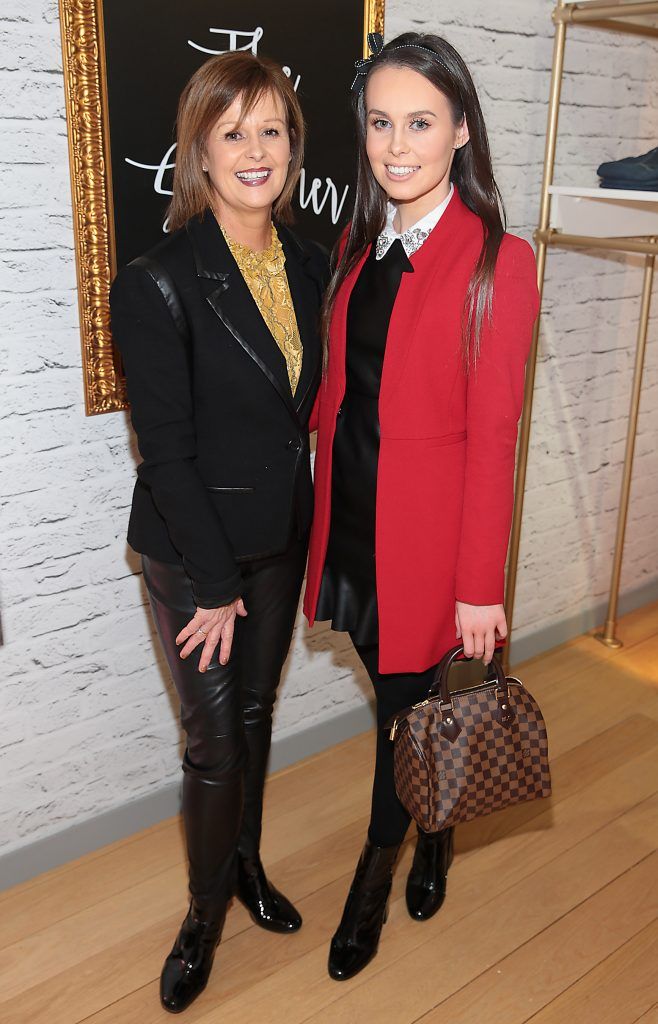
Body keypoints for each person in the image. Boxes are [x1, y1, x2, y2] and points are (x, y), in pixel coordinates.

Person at [303, 31, 540, 981]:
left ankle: (380, 868)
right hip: (352, 521)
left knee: (402, 712)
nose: (396, 146)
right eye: (379, 123)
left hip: (428, 542)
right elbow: (341, 395)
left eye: (420, 123)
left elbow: (495, 439)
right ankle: (437, 817)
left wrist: (479, 588)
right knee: (394, 693)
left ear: (461, 133)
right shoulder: (360, 243)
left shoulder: (498, 261)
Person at [110, 52, 328, 1013]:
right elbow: (166, 454)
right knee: (214, 748)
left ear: (293, 146)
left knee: (255, 718)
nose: (255, 149)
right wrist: (212, 586)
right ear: (199, 148)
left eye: (271, 129)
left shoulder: (314, 260)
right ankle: (202, 918)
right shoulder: (158, 281)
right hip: (195, 554)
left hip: (280, 536)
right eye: (232, 131)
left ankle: (243, 868)